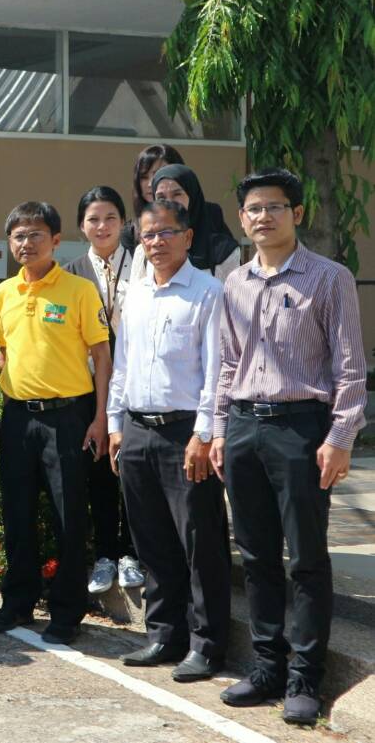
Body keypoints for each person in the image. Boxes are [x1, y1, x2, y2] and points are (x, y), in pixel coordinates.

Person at [211, 168, 367, 725]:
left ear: (297, 213)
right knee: (255, 557)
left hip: (301, 429)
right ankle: (266, 668)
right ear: (242, 217)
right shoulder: (235, 282)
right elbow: (228, 363)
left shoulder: (330, 278)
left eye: (274, 207)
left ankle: (305, 677)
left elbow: (350, 367)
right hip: (244, 428)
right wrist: (220, 429)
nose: (263, 217)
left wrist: (340, 437)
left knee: (305, 556)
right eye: (253, 208)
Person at [107, 199, 231, 683]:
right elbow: (122, 364)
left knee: (200, 542)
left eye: (166, 233)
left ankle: (207, 645)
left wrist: (204, 433)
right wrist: (116, 423)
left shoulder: (208, 292)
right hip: (137, 429)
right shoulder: (135, 294)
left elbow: (217, 370)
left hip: (186, 434)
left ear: (188, 237)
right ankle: (163, 634)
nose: (156, 242)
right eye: (148, 235)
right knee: (152, 540)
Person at [0, 202, 110, 645]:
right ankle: (18, 602)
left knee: (68, 516)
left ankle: (67, 612)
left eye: (36, 234)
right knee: (17, 514)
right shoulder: (4, 293)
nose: (26, 243)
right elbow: (5, 352)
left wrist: (100, 418)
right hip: (18, 418)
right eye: (18, 235)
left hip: (68, 418)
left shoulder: (80, 290)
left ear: (56, 240)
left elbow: (101, 356)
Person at [64, 187, 143, 595]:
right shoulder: (71, 273)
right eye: (93, 219)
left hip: (136, 384)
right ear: (81, 226)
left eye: (110, 217)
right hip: (91, 387)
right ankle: (105, 555)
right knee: (98, 469)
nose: (102, 226)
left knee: (132, 469)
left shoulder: (144, 263)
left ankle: (131, 553)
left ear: (124, 221)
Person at [128, 164, 240, 283]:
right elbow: (136, 293)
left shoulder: (223, 252)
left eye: (177, 194)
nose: (169, 202)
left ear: (192, 196)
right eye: (161, 197)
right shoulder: (145, 251)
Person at [120, 144, 184, 255]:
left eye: (158, 174)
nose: (150, 184)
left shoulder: (208, 218)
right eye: (144, 177)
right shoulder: (130, 233)